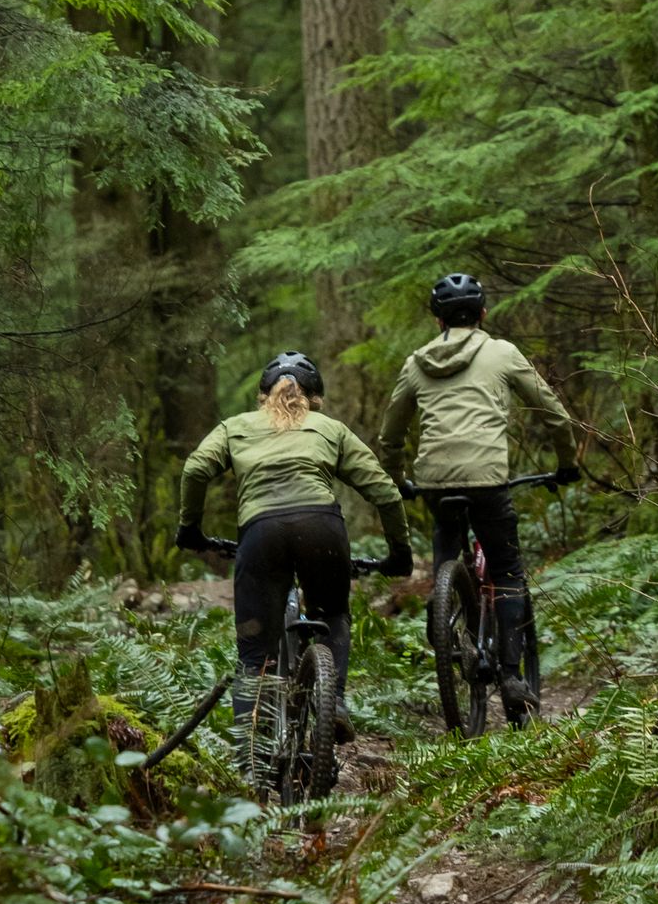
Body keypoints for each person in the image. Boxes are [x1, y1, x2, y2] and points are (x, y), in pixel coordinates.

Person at [176, 352, 413, 776]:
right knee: (332, 613)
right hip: (321, 528)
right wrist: (399, 553)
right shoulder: (330, 429)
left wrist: (190, 529)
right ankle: (333, 700)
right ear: (316, 399)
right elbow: (386, 492)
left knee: (254, 656)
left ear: (261, 397)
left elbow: (195, 469)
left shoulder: (236, 427)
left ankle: (251, 767)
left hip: (261, 535)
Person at [377, 272, 579, 724]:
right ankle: (510, 674)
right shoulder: (501, 352)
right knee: (507, 571)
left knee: (446, 547)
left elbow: (390, 435)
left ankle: (442, 609)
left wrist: (398, 478)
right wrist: (567, 462)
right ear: (484, 314)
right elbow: (553, 413)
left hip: (434, 480)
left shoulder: (415, 362)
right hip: (488, 478)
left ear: (437, 320)